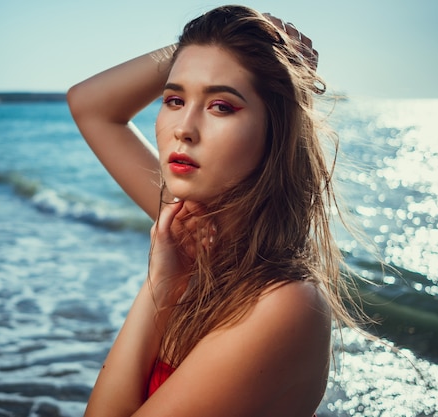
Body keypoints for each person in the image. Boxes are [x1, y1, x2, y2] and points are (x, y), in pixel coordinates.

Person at [67, 5, 359, 417]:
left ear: (276, 131)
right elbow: (89, 104)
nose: (183, 128)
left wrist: (159, 287)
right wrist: (208, 44)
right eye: (174, 99)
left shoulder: (282, 304)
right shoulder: (190, 229)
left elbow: (90, 107)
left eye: (221, 106)